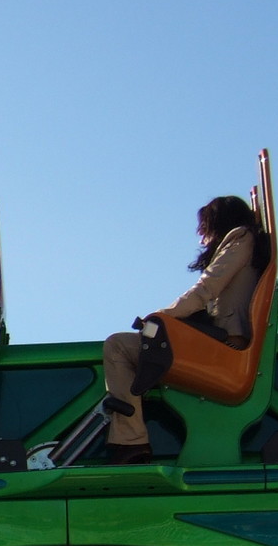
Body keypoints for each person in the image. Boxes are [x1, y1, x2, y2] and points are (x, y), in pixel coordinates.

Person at [97, 196, 267, 464]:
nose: (200, 234)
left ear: (219, 222)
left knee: (118, 345)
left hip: (225, 348)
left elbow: (205, 290)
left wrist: (160, 316)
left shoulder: (240, 238)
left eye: (204, 226)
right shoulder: (245, 243)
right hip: (220, 341)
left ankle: (130, 441)